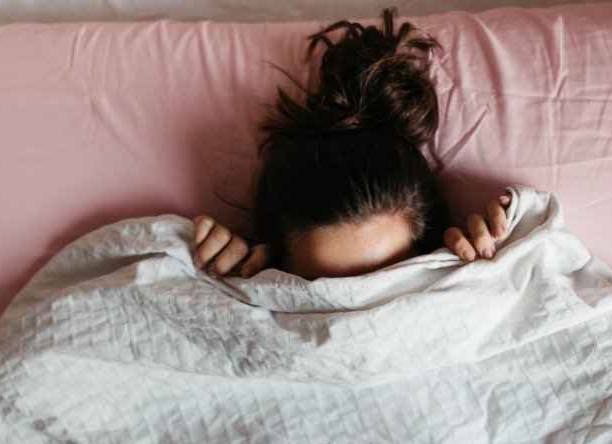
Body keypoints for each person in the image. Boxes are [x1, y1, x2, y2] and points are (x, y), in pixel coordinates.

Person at [191, 8, 511, 281]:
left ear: (431, 254)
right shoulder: (250, 282)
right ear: (277, 268)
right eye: (324, 290)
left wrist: (500, 259)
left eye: (386, 281)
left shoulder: (467, 275)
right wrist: (207, 271)